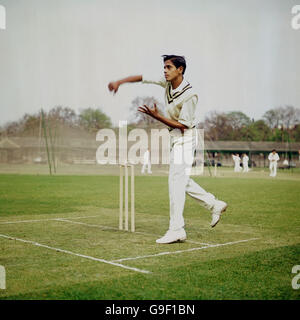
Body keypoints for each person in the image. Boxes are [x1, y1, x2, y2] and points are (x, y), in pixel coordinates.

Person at [108, 55, 227, 244]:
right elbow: (141, 78)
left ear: (180, 70)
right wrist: (119, 82)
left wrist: (156, 116)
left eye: (168, 67)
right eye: (164, 67)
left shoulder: (190, 95)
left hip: (186, 138)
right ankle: (214, 204)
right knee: (181, 180)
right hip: (175, 139)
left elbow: (183, 126)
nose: (165, 71)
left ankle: (177, 229)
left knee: (175, 183)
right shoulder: (167, 83)